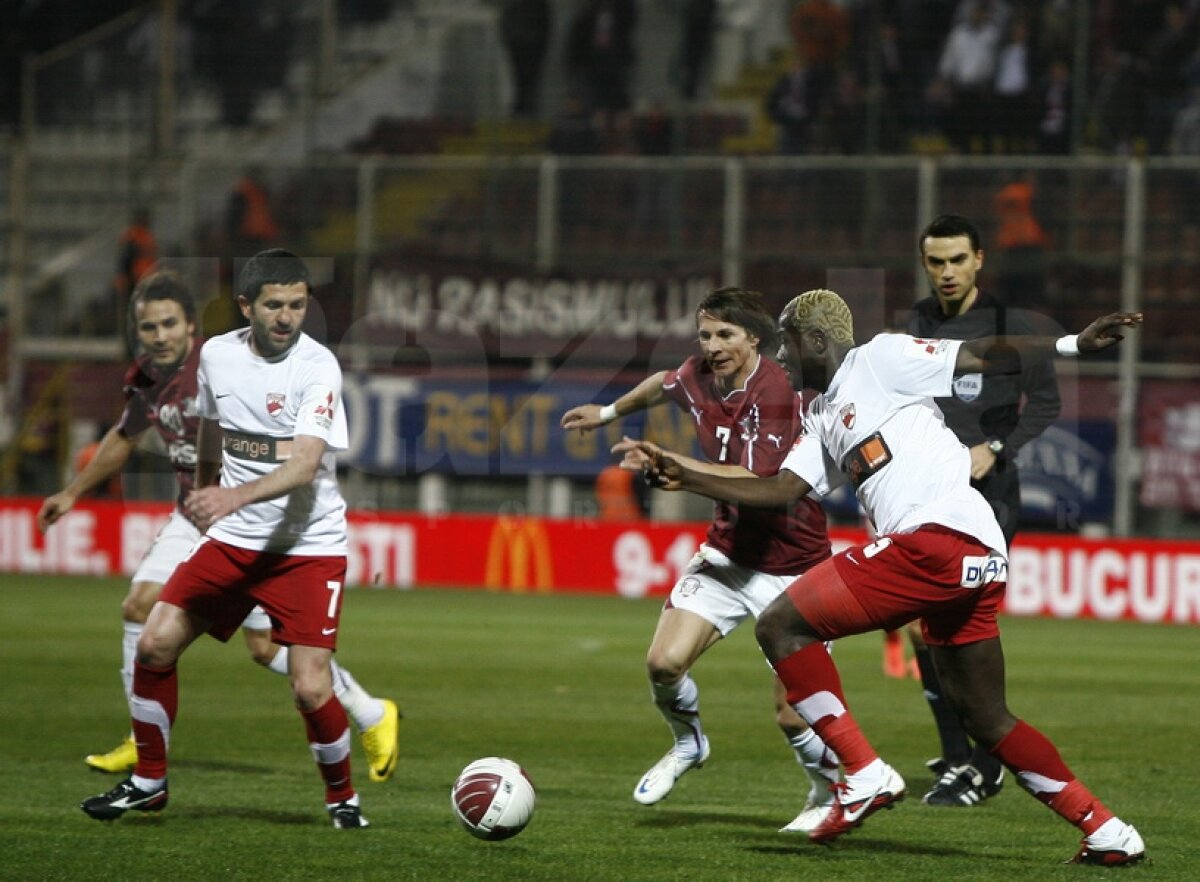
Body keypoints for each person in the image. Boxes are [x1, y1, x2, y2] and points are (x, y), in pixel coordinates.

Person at [635, 288, 1146, 865]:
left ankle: (864, 772)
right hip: (973, 557)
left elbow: (979, 352)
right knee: (984, 715)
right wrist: (686, 476)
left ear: (819, 341)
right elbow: (780, 490)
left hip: (935, 540)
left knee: (781, 626)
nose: (781, 357)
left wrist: (1072, 343)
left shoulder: (878, 359)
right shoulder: (821, 413)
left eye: (788, 342)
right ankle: (1107, 830)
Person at [40, 269, 399, 786]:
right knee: (142, 609)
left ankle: (369, 712)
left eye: (169, 325)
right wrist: (73, 492)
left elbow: (292, 451)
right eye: (148, 328)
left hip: (250, 519)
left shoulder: (227, 364)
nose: (159, 337)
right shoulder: (148, 377)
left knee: (266, 649)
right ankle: (141, 743)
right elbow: (124, 434)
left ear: (192, 328)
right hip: (201, 514)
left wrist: (228, 494)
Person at [561, 287, 841, 834]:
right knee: (663, 663)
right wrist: (609, 411)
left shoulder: (777, 389)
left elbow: (759, 480)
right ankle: (689, 743)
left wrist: (677, 465)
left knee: (792, 712)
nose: (712, 346)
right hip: (727, 555)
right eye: (706, 335)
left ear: (753, 339)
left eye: (725, 335)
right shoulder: (697, 374)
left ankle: (825, 792)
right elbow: (663, 384)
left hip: (793, 567)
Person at [904, 212, 1060, 808]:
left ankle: (985, 764)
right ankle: (960, 755)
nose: (946, 272)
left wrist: (995, 448)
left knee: (958, 629)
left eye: (957, 260)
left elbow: (1044, 403)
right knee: (925, 631)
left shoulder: (1009, 327)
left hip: (989, 499)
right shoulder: (917, 324)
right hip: (926, 494)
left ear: (979, 260)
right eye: (935, 262)